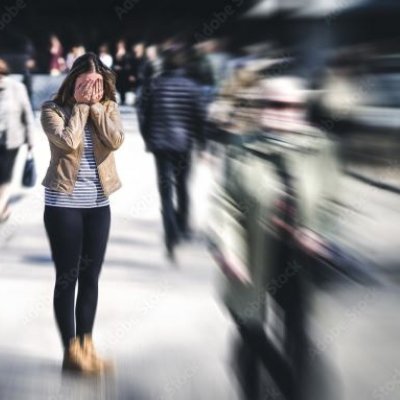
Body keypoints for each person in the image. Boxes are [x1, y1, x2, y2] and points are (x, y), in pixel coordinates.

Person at [40, 52, 124, 373]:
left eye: (98, 83)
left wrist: (97, 109)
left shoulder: (109, 108)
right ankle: (71, 351)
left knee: (90, 278)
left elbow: (115, 140)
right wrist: (80, 107)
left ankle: (87, 346)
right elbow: (69, 142)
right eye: (86, 83)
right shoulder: (53, 109)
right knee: (68, 278)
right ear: (73, 81)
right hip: (64, 205)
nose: (93, 89)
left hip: (99, 206)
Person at [140, 45, 205, 260]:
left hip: (161, 146)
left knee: (166, 192)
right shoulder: (192, 87)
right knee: (183, 186)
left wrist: (148, 138)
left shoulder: (154, 85)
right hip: (183, 145)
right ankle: (182, 226)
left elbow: (144, 115)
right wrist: (202, 143)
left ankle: (170, 234)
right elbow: (200, 118)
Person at [0, 59, 35, 222]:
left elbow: (27, 115)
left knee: (5, 175)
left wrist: (31, 142)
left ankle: (1, 206)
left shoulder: (17, 88)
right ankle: (4, 206)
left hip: (11, 141)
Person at [113, 39, 131, 105]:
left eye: (121, 46)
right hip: (118, 74)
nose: (120, 47)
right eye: (119, 46)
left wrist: (121, 68)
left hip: (124, 74)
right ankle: (119, 100)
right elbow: (114, 63)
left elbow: (128, 66)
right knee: (118, 87)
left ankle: (124, 100)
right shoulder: (116, 54)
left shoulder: (127, 54)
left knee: (124, 88)